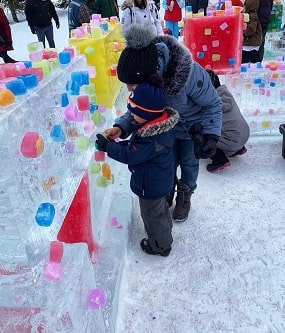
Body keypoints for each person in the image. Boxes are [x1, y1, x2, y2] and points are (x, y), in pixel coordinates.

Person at [105, 24, 222, 223]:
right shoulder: (144, 82)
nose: (130, 89)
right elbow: (136, 110)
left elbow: (212, 104)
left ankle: (185, 193)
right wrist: (122, 126)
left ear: (152, 76)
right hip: (164, 130)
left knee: (188, 163)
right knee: (166, 163)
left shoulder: (191, 75)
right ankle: (167, 188)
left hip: (191, 130)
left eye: (132, 85)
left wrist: (211, 135)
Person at [96, 80, 179, 256]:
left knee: (151, 216)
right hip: (159, 180)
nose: (132, 116)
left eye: (135, 113)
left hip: (151, 184)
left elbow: (130, 154)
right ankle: (165, 232)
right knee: (160, 210)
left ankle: (160, 245)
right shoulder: (157, 124)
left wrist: (107, 147)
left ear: (147, 114)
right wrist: (120, 131)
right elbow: (137, 146)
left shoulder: (151, 138)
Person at [204, 69, 250, 172]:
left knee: (200, 134)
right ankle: (237, 149)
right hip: (245, 134)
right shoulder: (225, 93)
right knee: (229, 125)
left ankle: (219, 159)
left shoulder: (209, 102)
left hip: (233, 139)